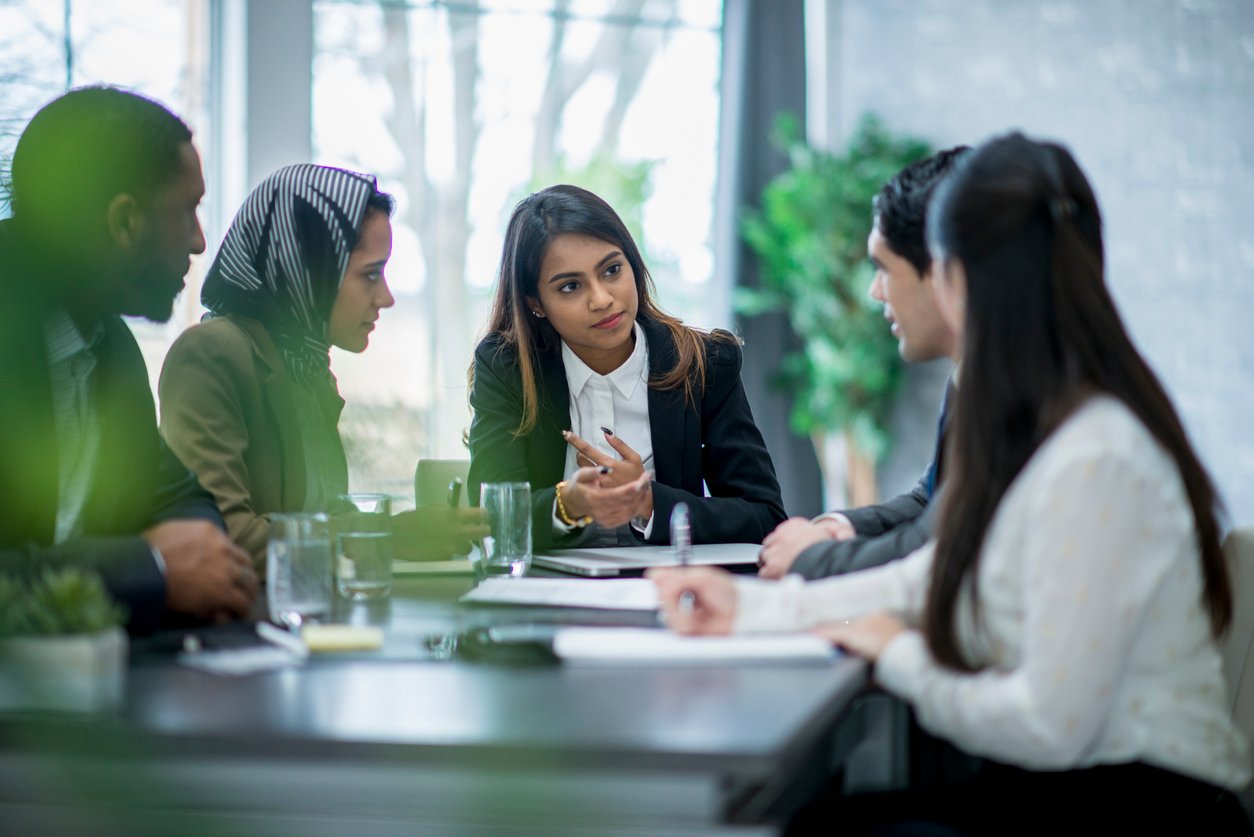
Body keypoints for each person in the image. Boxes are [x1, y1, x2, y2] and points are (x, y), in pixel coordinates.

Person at [653, 133, 1252, 834]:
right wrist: (746, 609)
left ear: (960, 277)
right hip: (1078, 791)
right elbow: (926, 582)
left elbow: (1046, 726)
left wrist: (896, 651)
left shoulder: (1095, 455)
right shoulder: (1036, 425)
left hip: (1141, 810)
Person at [0, 86, 257, 632]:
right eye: (188, 210)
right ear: (123, 222)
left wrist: (193, 555)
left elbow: (182, 497)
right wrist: (151, 568)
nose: (199, 241)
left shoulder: (108, 347)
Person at [160, 164, 486, 569]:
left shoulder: (306, 367)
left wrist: (404, 531)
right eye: (370, 274)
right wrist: (389, 536)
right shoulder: (211, 354)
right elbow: (223, 537)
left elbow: (321, 520)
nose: (386, 298)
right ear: (306, 269)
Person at [467, 184, 785, 550]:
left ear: (633, 265)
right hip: (549, 598)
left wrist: (649, 502)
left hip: (672, 595)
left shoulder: (705, 363)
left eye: (612, 270)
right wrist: (566, 503)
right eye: (570, 287)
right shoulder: (506, 368)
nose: (602, 299)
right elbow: (489, 517)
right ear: (535, 302)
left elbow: (766, 518)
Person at [758, 147, 967, 581]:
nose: (875, 292)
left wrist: (810, 558)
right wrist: (841, 527)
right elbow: (932, 501)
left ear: (946, 269)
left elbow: (934, 548)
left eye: (884, 268)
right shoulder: (969, 376)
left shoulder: (1021, 398)